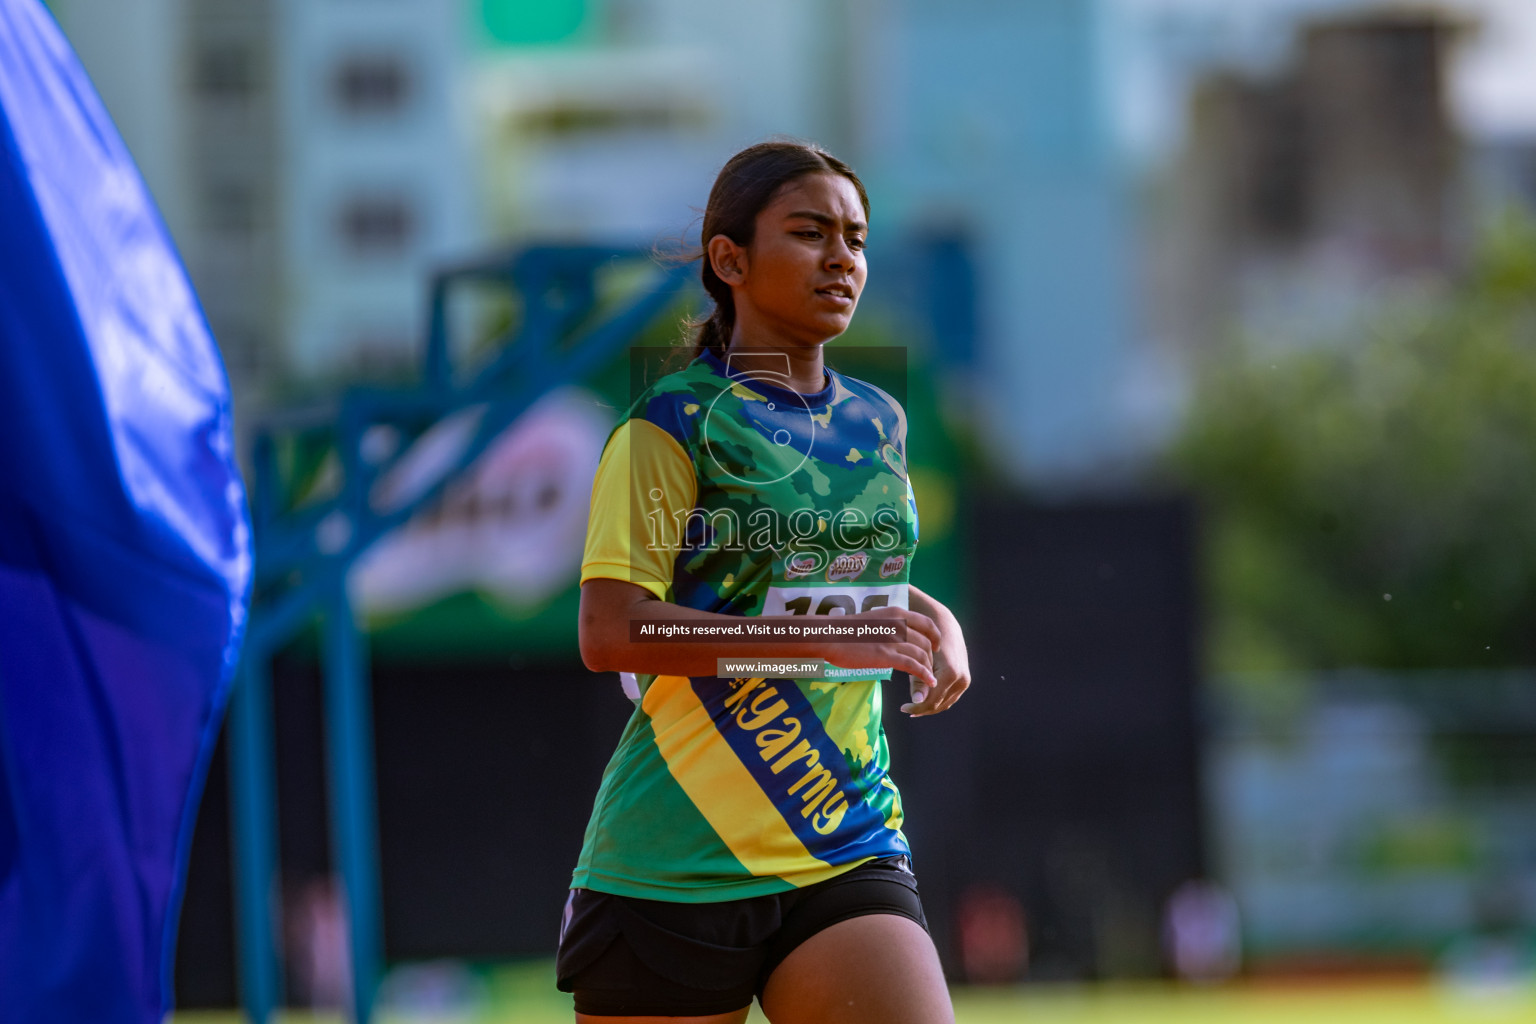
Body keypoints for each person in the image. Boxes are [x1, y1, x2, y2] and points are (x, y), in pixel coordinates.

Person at [560, 140, 972, 1024]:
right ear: (728, 260)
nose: (842, 259)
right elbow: (612, 633)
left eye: (857, 239)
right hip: (675, 860)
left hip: (845, 841)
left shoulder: (880, 421)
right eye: (810, 232)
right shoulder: (667, 425)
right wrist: (814, 645)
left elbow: (843, 586)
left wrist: (935, 620)